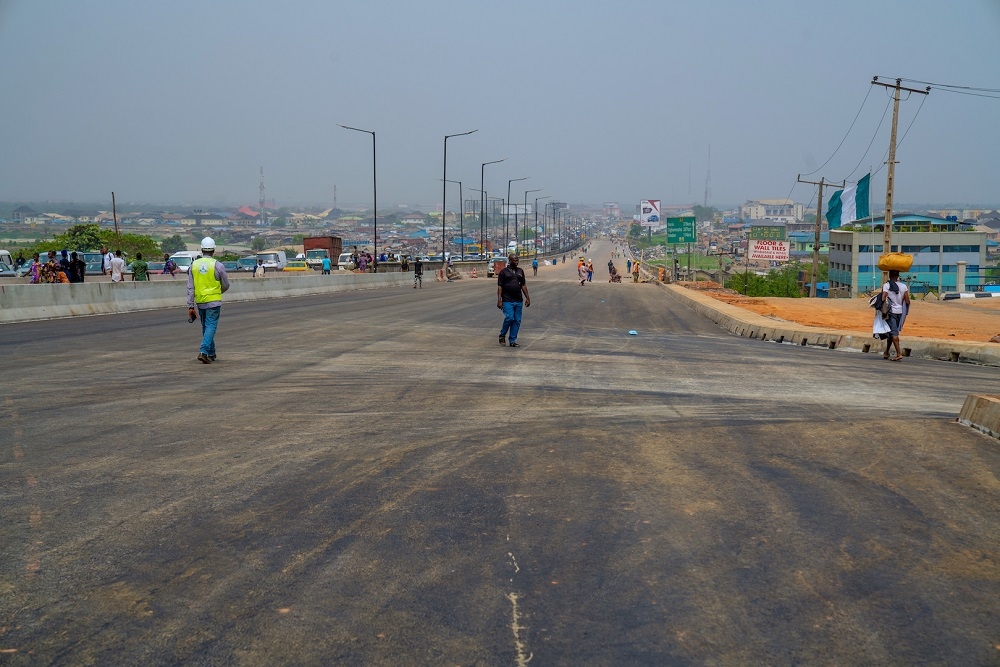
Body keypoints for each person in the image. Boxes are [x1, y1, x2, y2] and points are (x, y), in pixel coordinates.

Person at [187, 237, 230, 364]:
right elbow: (226, 284)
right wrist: (218, 291)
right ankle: (204, 351)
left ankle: (211, 352)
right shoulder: (218, 265)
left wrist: (190, 305)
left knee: (206, 327)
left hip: (200, 301)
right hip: (214, 301)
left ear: (201, 249)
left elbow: (190, 287)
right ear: (213, 250)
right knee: (211, 326)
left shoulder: (193, 265)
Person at [497, 253, 530, 347]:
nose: (516, 262)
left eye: (517, 260)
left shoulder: (520, 271)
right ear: (510, 261)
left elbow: (523, 285)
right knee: (509, 318)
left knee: (517, 320)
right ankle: (502, 334)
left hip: (518, 299)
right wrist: (499, 300)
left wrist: (527, 297)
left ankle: (512, 340)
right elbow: (500, 286)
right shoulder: (503, 272)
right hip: (507, 300)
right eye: (514, 260)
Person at [882, 269, 910, 361]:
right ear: (898, 276)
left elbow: (883, 298)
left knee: (894, 333)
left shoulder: (887, 285)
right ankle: (886, 352)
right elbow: (907, 301)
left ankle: (899, 354)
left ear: (889, 276)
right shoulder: (903, 286)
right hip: (900, 312)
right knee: (891, 332)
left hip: (891, 312)